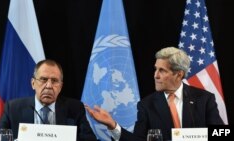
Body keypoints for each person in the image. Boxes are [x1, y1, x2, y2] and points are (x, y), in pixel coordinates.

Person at [85, 47, 224, 141]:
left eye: (162, 71)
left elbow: (221, 133)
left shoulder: (204, 99)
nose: (155, 75)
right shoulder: (146, 105)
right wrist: (112, 125)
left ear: (178, 74)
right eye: (155, 69)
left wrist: (195, 136)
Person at [0, 59, 97, 141]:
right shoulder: (14, 108)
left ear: (60, 86)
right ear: (33, 83)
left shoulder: (75, 108)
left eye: (54, 81)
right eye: (43, 79)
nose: (49, 86)